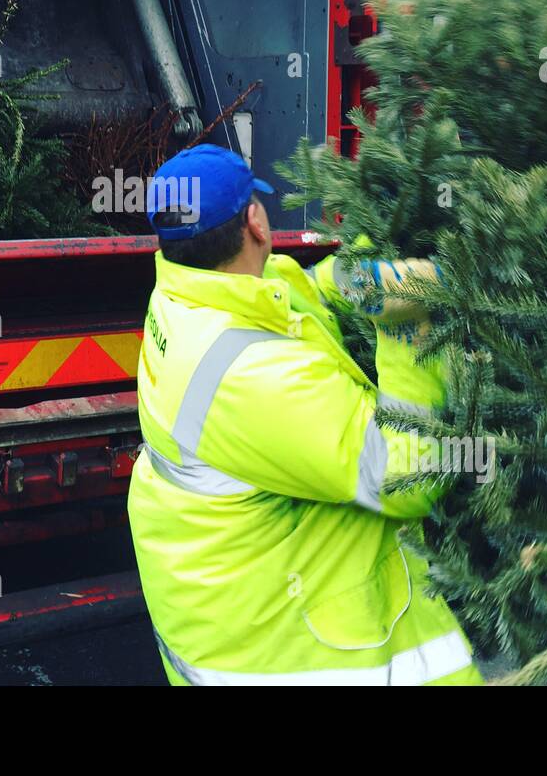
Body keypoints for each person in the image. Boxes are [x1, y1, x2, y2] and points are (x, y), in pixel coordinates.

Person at [128, 144, 482, 686]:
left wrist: (358, 276)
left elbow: (291, 293)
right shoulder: (253, 377)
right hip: (295, 654)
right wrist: (406, 330)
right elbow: (405, 477)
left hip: (226, 611)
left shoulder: (185, 298)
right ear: (255, 221)